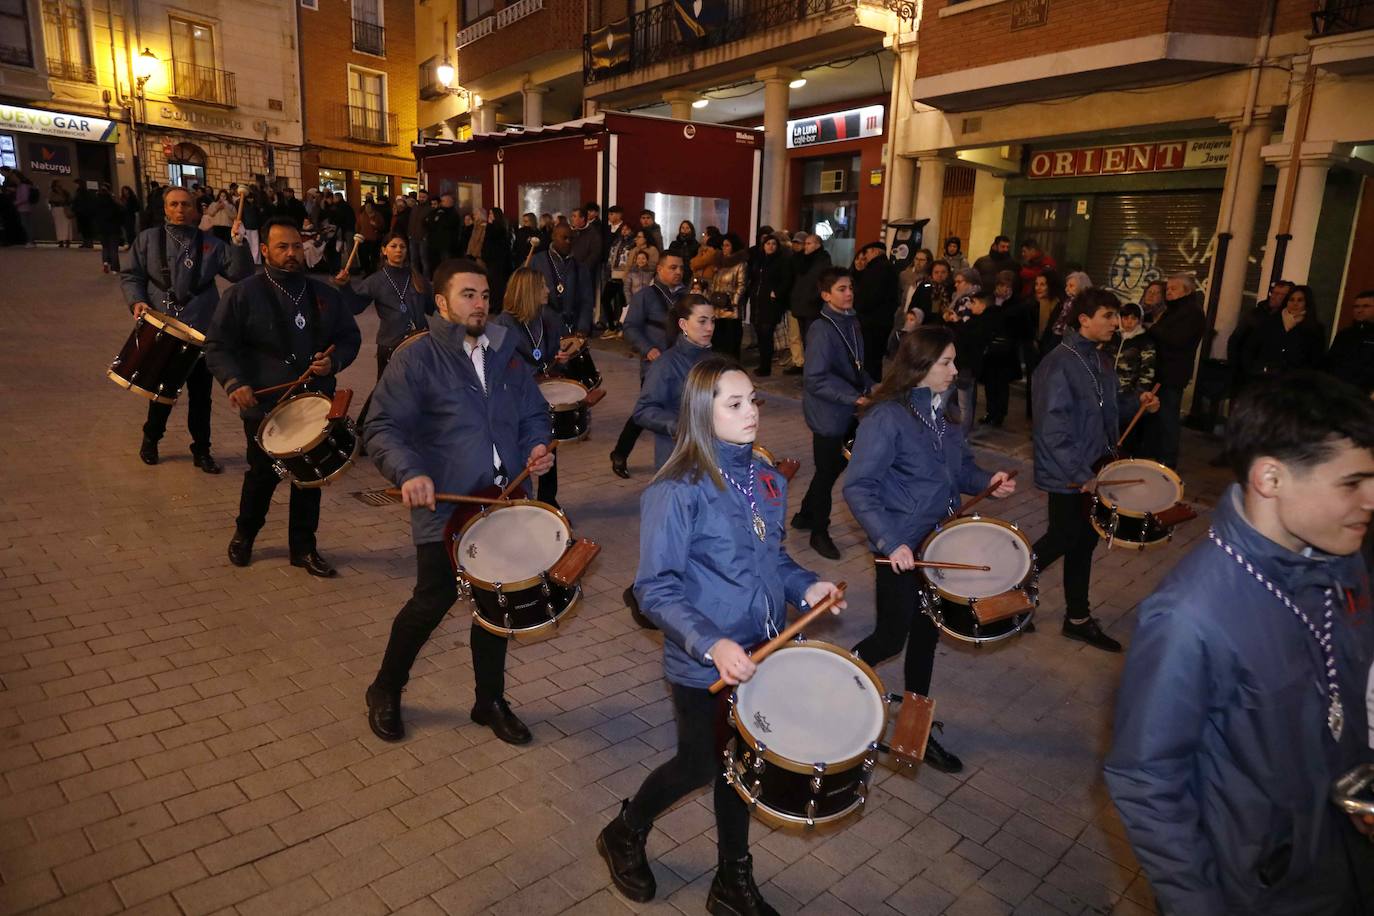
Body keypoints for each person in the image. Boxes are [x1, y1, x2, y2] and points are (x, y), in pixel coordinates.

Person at [1104, 373, 1374, 915]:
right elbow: (1146, 781)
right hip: (1261, 890)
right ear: (1270, 478)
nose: (1370, 500)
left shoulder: (1344, 557)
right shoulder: (1189, 616)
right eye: (1352, 483)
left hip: (1346, 857)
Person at [597, 355, 844, 914]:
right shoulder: (677, 489)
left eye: (752, 399)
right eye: (734, 404)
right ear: (702, 414)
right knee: (700, 765)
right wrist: (712, 643)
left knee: (744, 761)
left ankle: (732, 881)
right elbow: (654, 589)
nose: (751, 411)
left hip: (763, 653)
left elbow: (773, 558)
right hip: (703, 662)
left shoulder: (765, 477)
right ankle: (624, 830)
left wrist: (807, 587)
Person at [362, 257, 554, 746]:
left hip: (506, 502)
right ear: (442, 302)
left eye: (485, 295)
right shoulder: (417, 357)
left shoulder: (506, 353)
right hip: (448, 506)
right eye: (468, 294)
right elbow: (381, 427)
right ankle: (385, 687)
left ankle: (488, 700)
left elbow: (535, 412)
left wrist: (536, 445)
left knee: (496, 603)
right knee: (433, 600)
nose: (480, 304)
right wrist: (411, 471)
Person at [844, 327, 1016, 773]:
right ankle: (832, 685)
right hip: (901, 548)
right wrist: (890, 540)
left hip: (940, 544)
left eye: (954, 361)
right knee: (890, 637)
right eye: (946, 363)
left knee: (926, 637)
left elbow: (959, 472)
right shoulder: (886, 418)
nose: (955, 371)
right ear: (919, 366)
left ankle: (915, 733)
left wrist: (988, 483)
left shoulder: (946, 413)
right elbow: (859, 487)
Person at [205, 216, 362, 577]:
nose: (292, 254)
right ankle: (245, 534)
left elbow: (350, 338)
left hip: (314, 402)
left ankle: (303, 548)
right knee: (262, 475)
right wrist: (234, 382)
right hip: (265, 405)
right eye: (282, 247)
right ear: (264, 251)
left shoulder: (325, 294)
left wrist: (333, 360)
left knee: (310, 478)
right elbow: (217, 346)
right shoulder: (241, 295)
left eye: (297, 246)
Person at [1031, 288, 1158, 652]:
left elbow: (1110, 405)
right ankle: (1012, 590)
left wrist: (1139, 402)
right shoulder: (1058, 362)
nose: (1115, 323)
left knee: (1082, 540)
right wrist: (1081, 473)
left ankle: (1076, 617)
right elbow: (1051, 429)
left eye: (1116, 315)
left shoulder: (1100, 359)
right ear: (1084, 319)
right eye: (1107, 315)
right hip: (1070, 472)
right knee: (1063, 538)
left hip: (1096, 468)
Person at [120, 186, 254, 471]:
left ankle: (202, 450)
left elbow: (239, 274)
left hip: (203, 329)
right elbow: (132, 275)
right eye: (174, 205)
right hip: (164, 326)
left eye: (186, 205)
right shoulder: (147, 240)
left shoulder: (212, 244)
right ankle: (151, 439)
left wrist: (239, 244)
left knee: (201, 396)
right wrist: (138, 302)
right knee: (160, 392)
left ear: (196, 210)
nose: (180, 210)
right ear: (165, 208)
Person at [794, 267, 873, 560]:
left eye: (850, 287)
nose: (849, 292)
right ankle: (819, 532)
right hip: (827, 414)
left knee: (833, 467)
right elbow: (815, 379)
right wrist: (854, 397)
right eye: (841, 289)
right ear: (826, 295)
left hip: (847, 409)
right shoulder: (821, 328)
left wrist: (872, 386)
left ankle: (804, 514)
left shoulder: (851, 321)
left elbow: (855, 366)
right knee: (828, 472)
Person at [492, 266, 570, 507]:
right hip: (515, 401)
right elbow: (495, 369)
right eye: (542, 286)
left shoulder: (548, 319)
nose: (548, 290)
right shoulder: (499, 325)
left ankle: (548, 500)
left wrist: (560, 361)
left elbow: (551, 359)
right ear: (528, 291)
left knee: (546, 445)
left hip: (542, 395)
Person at [613, 252, 687, 478]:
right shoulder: (645, 296)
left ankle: (681, 461)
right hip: (654, 366)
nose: (678, 272)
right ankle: (620, 453)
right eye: (673, 267)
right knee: (648, 412)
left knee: (682, 413)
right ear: (660, 270)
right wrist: (649, 349)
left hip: (683, 365)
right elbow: (630, 328)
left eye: (681, 268)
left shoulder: (687, 297)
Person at [633, 294, 718, 469]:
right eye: (702, 321)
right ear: (683, 324)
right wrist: (680, 427)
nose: (709, 328)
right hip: (678, 458)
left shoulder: (715, 360)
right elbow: (643, 411)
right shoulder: (667, 364)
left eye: (713, 321)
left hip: (712, 455)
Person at [333, 233, 433, 378]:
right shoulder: (375, 280)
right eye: (393, 246)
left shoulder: (417, 278)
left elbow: (432, 308)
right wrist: (345, 286)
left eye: (402, 247)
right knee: (387, 391)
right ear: (384, 251)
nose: (399, 250)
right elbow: (355, 307)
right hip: (390, 344)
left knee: (420, 389)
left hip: (420, 342)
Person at [1142, 273, 1206, 468]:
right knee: (1155, 414)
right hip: (1161, 369)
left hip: (1172, 372)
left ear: (1186, 290)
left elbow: (1176, 339)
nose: (1168, 292)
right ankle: (1153, 452)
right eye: (1167, 289)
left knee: (1168, 416)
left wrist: (1151, 328)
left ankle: (1168, 460)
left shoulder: (1192, 312)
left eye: (1173, 288)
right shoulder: (1174, 309)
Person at [1244, 283, 1328, 382]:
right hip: (1265, 379)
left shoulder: (1314, 329)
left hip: (1294, 384)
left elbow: (1315, 360)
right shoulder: (1270, 323)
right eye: (1291, 299)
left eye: (1300, 300)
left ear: (1307, 303)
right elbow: (1251, 347)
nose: (1295, 303)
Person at [981, 270, 1029, 427]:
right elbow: (988, 319)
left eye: (1007, 285)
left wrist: (1001, 306)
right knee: (989, 382)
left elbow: (1015, 324)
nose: (1003, 288)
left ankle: (999, 414)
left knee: (1001, 383)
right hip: (990, 348)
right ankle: (990, 411)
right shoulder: (990, 300)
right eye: (1001, 285)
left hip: (1006, 350)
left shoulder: (1018, 304)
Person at [529, 222, 594, 336]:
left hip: (573, 330)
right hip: (544, 330)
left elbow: (586, 300)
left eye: (571, 238)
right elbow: (527, 296)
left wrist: (582, 328)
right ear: (553, 237)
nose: (568, 242)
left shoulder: (580, 266)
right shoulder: (536, 262)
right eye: (564, 238)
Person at [1110, 301, 1157, 455]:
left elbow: (1147, 369)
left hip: (1129, 393)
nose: (1128, 322)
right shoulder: (1114, 337)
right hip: (1110, 391)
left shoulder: (1144, 340)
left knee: (1128, 430)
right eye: (1125, 318)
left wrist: (1140, 391)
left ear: (1139, 320)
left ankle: (1127, 458)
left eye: (1133, 318)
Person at [745, 232, 792, 377]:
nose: (770, 246)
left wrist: (776, 292)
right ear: (763, 246)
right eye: (768, 244)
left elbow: (786, 280)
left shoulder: (781, 261)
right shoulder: (759, 260)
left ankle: (766, 366)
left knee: (767, 334)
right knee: (759, 333)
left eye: (773, 244)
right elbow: (753, 279)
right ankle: (762, 363)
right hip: (757, 301)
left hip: (770, 303)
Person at [854, 241, 899, 383]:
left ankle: (869, 389)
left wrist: (858, 306)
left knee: (870, 359)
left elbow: (870, 296)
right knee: (873, 359)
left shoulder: (878, 269)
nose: (865, 257)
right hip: (880, 321)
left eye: (866, 253)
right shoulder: (884, 268)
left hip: (873, 322)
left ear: (874, 251)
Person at [787, 235, 833, 372]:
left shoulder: (822, 260)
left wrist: (814, 297)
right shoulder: (802, 260)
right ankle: (807, 368)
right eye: (805, 243)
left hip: (812, 306)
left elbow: (822, 282)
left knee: (812, 340)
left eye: (809, 243)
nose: (805, 246)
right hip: (800, 304)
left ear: (817, 245)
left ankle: (815, 369)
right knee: (803, 338)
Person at [1326, 289, 1374, 394]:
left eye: (1366, 306)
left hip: (1364, 395)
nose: (1359, 310)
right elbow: (1330, 362)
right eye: (1356, 307)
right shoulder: (1344, 334)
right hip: (1337, 391)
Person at [708, 233, 745, 360]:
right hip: (718, 306)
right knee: (718, 336)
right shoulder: (720, 263)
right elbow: (714, 283)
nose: (724, 248)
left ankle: (731, 360)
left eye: (727, 245)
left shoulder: (740, 264)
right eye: (723, 245)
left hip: (730, 308)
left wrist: (733, 302)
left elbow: (741, 285)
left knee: (731, 337)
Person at [481, 207, 513, 313]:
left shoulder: (498, 228)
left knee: (497, 284)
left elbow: (493, 241)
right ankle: (494, 304)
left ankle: (498, 305)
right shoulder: (495, 227)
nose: (489, 215)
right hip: (492, 260)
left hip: (498, 261)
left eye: (491, 214)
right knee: (492, 283)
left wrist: (489, 225)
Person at [94, 183, 124, 273]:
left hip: (102, 229)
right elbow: (120, 213)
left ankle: (106, 263)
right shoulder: (113, 203)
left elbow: (95, 216)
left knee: (105, 247)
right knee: (113, 249)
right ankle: (115, 268)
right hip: (113, 228)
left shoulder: (97, 203)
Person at [407, 189, 432, 276]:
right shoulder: (415, 208)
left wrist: (425, 236)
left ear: (427, 198)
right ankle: (415, 278)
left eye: (423, 197)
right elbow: (411, 221)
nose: (421, 199)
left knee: (424, 260)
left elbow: (430, 225)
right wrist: (409, 234)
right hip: (413, 237)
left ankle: (425, 279)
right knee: (414, 260)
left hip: (423, 239)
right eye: (420, 197)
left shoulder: (429, 209)